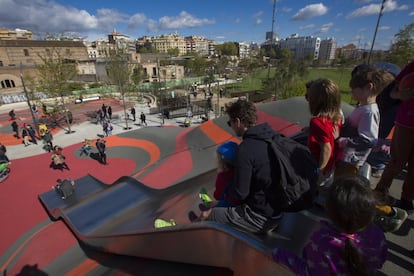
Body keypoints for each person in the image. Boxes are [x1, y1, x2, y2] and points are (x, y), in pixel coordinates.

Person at [190, 99, 284, 233]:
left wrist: (219, 204)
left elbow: (240, 193)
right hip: (278, 212)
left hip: (261, 218)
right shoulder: (272, 137)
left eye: (230, 123)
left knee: (208, 215)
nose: (231, 127)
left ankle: (187, 231)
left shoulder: (246, 149)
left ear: (238, 122)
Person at [334, 67, 407, 231]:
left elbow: (368, 140)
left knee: (351, 195)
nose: (352, 93)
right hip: (346, 157)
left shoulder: (369, 112)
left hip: (351, 159)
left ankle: (388, 212)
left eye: (354, 90)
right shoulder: (363, 108)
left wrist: (341, 140)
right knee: (344, 190)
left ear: (369, 87)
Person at [272, 176, 387, 275]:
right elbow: (380, 262)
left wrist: (280, 254)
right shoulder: (378, 235)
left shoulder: (322, 241)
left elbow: (308, 272)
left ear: (329, 209)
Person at [375, 69, 414, 212]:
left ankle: (407, 199)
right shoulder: (411, 67)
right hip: (406, 122)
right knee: (397, 161)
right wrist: (401, 95)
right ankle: (380, 192)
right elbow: (391, 93)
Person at [306, 79, 342, 184]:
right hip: (331, 165)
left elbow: (326, 148)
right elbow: (328, 134)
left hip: (320, 165)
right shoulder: (337, 117)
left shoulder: (317, 122)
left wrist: (319, 171)